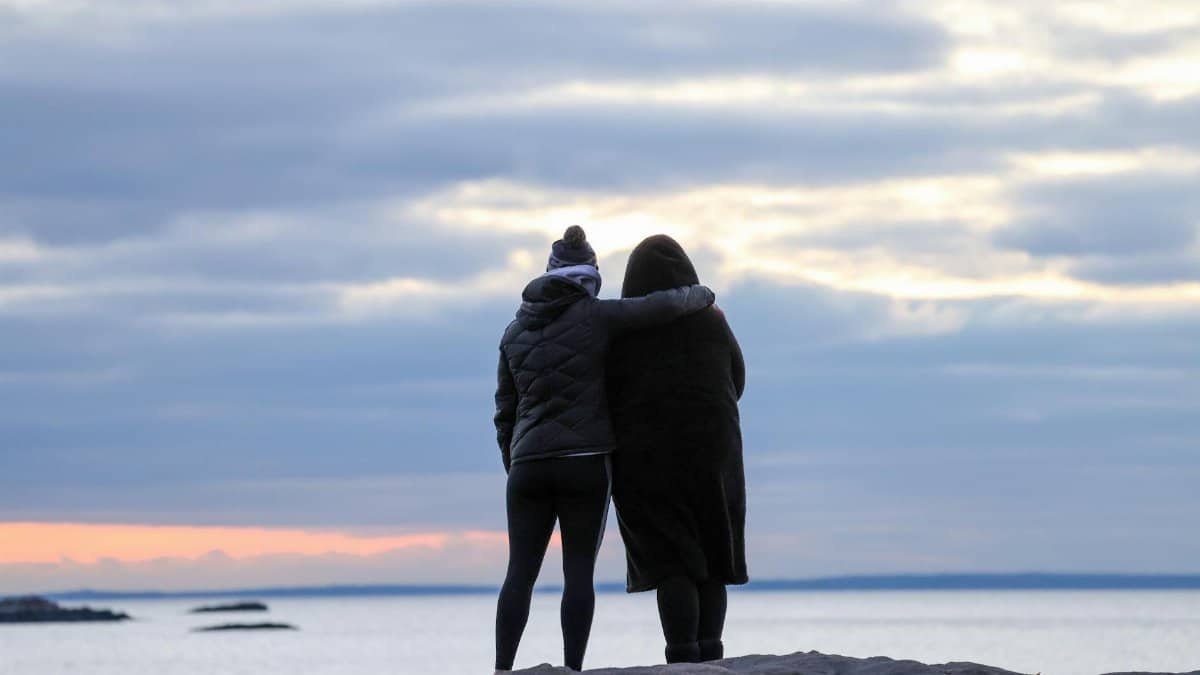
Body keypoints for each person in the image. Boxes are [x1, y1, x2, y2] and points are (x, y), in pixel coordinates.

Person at [493, 226, 715, 673]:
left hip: (527, 466)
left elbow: (505, 410)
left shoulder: (514, 331)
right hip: (584, 463)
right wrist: (703, 294)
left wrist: (514, 459)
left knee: (519, 574)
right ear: (590, 276)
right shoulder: (595, 316)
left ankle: (502, 668)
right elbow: (663, 305)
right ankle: (572, 668)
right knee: (577, 574)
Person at [607, 234, 748, 664]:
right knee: (713, 556)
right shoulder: (713, 320)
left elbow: (607, 391)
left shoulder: (623, 329)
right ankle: (712, 655)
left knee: (673, 560)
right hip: (714, 453)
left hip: (647, 458)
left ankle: (681, 656)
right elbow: (737, 379)